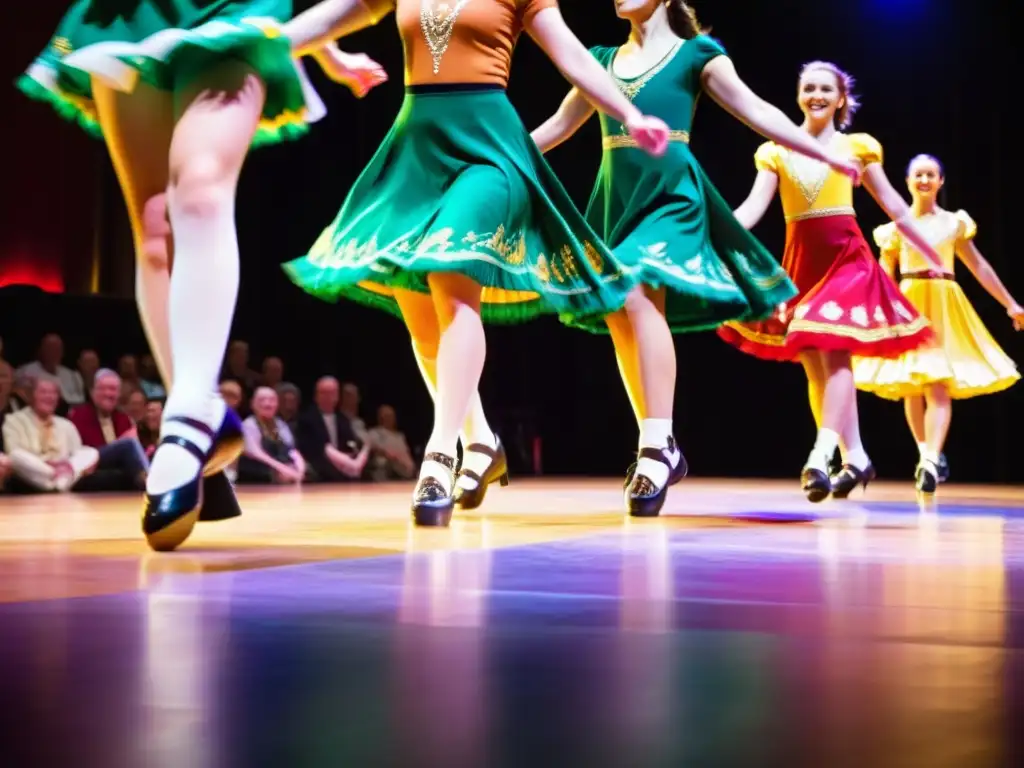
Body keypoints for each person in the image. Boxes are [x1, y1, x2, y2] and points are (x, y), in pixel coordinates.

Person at [280, 0, 672, 527]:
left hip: (488, 146)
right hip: (418, 144)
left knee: (454, 277)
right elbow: (327, 18)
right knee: (418, 313)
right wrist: (272, 47)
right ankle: (479, 439)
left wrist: (629, 113)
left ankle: (440, 456)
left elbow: (574, 59)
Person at [18, 0, 387, 550]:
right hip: (127, 15)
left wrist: (320, 40)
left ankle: (187, 422)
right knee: (153, 230)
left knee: (200, 190)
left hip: (233, 11)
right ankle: (203, 413)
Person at [529, 0, 863, 516]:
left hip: (671, 194)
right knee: (621, 312)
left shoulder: (696, 54)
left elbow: (758, 111)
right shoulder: (599, 59)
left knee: (639, 292)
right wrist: (499, 159)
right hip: (617, 195)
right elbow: (558, 125)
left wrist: (821, 152)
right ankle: (658, 443)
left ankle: (655, 442)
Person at [717, 61, 946, 503]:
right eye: (808, 88)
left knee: (835, 350)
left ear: (841, 99)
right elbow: (752, 207)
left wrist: (927, 247)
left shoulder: (857, 147)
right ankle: (855, 455)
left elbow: (895, 206)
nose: (816, 95)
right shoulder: (775, 151)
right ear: (799, 95)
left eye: (826, 88)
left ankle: (820, 456)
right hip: (801, 264)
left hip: (848, 259)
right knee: (814, 362)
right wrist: (717, 234)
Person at [853, 154, 1023, 492]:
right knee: (912, 383)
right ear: (907, 181)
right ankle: (926, 456)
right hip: (908, 303)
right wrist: (876, 312)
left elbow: (978, 266)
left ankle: (931, 458)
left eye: (931, 175)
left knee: (938, 381)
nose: (925, 180)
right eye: (918, 174)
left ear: (941, 181)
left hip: (944, 302)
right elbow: (883, 275)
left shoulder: (953, 223)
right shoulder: (895, 228)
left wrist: (1010, 304)